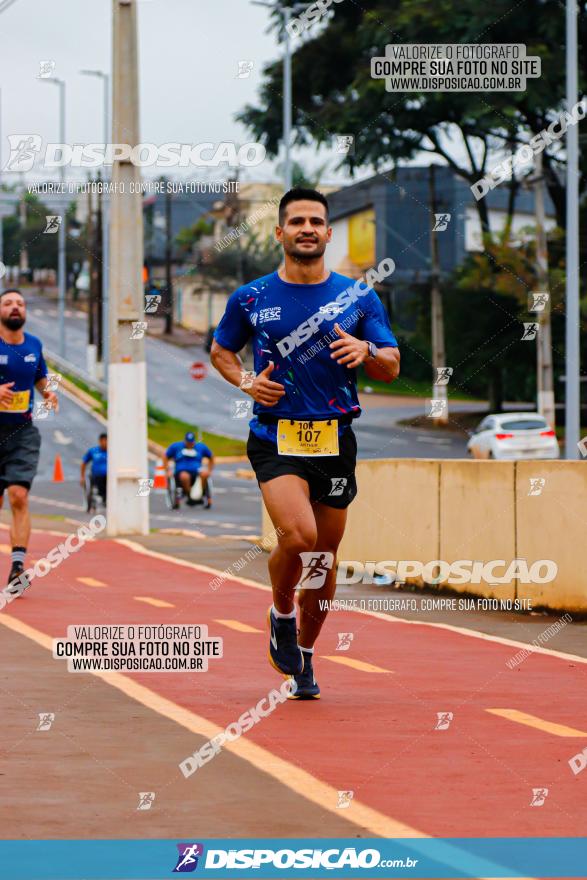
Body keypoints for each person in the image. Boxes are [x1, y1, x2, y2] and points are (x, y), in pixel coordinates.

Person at [210, 187, 400, 700]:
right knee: (298, 536)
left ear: (328, 233)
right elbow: (221, 351)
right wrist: (248, 382)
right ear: (280, 233)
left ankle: (307, 659)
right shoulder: (251, 297)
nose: (308, 229)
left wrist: (366, 349)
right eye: (297, 221)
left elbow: (391, 363)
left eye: (316, 221)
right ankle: (280, 613)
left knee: (323, 561)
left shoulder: (359, 296)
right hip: (276, 434)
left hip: (335, 439)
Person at [0, 289, 59, 593]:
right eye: (8, 303)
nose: (15, 307)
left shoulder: (34, 345)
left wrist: (47, 391)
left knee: (18, 496)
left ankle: (17, 567)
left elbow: (40, 376)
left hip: (22, 431)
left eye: (20, 303)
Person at [164, 431, 214, 508]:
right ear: (185, 440)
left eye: (191, 443)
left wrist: (209, 470)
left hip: (197, 471)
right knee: (185, 476)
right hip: (181, 472)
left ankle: (200, 493)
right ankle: (190, 494)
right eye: (188, 442)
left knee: (205, 474)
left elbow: (211, 457)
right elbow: (166, 456)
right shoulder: (176, 446)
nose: (190, 444)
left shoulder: (200, 447)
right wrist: (167, 470)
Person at [81, 433, 108, 506]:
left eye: (106, 441)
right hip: (96, 476)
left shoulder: (112, 451)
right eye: (103, 441)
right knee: (99, 479)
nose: (105, 443)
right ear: (100, 441)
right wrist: (82, 477)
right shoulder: (93, 451)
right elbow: (84, 462)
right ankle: (103, 496)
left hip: (109, 476)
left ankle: (106, 497)